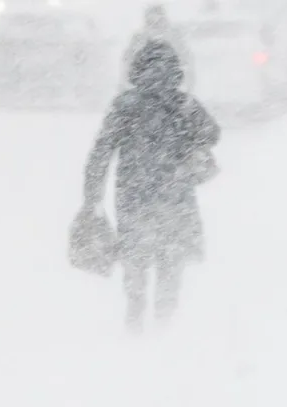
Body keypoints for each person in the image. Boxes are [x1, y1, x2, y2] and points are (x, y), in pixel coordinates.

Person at [83, 40, 221, 333]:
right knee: (171, 258)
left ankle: (135, 310)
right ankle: (164, 319)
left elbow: (101, 152)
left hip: (134, 196)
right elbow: (212, 133)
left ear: (136, 70)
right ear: (176, 71)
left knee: (135, 257)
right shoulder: (184, 104)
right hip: (176, 197)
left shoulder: (125, 105)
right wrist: (190, 143)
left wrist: (91, 199)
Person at [122, 4, 195, 92]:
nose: (155, 25)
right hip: (144, 92)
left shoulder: (175, 38)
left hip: (169, 91)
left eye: (159, 21)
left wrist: (187, 89)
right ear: (146, 22)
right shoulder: (138, 39)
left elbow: (187, 65)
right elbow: (127, 64)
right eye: (151, 21)